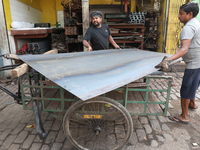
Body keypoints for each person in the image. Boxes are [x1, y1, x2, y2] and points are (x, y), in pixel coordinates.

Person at [155, 2, 200, 124]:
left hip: (194, 64)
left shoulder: (188, 28)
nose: (178, 16)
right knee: (194, 85)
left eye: (181, 14)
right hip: (198, 62)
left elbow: (184, 49)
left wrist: (169, 60)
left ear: (190, 14)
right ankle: (192, 104)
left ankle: (184, 116)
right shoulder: (196, 23)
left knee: (186, 88)